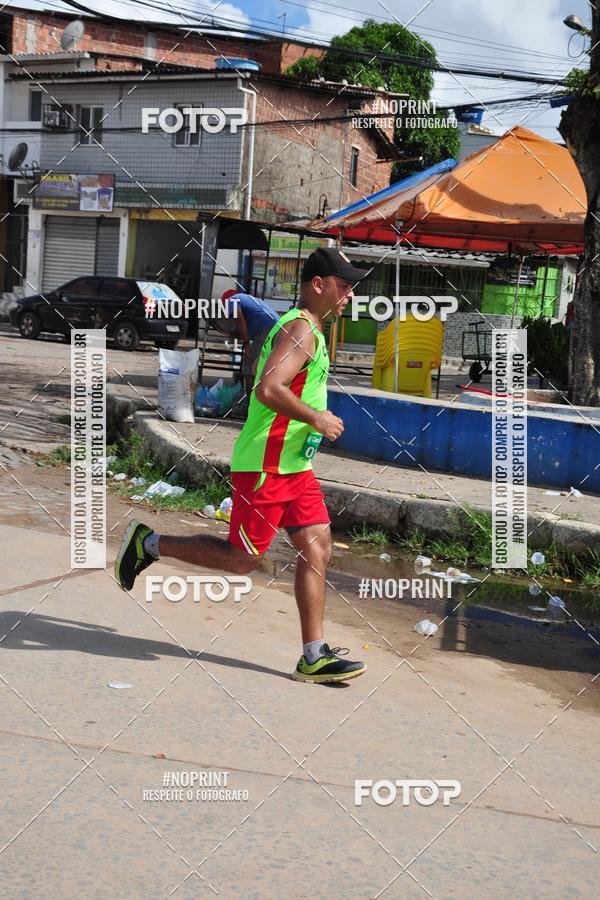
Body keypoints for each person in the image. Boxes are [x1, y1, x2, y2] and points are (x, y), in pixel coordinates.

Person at [115, 248, 368, 684]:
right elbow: (268, 388)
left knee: (317, 547)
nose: (349, 294)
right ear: (318, 285)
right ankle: (148, 543)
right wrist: (317, 418)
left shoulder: (313, 329)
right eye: (343, 285)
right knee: (241, 560)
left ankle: (314, 655)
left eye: (351, 287)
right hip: (266, 465)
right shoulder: (300, 330)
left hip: (294, 467)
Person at [218, 290, 279, 398]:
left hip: (267, 329)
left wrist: (246, 344)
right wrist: (232, 333)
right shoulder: (248, 301)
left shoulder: (232, 300)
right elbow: (243, 327)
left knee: (249, 365)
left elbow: (239, 318)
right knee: (264, 366)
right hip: (276, 327)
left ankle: (251, 404)